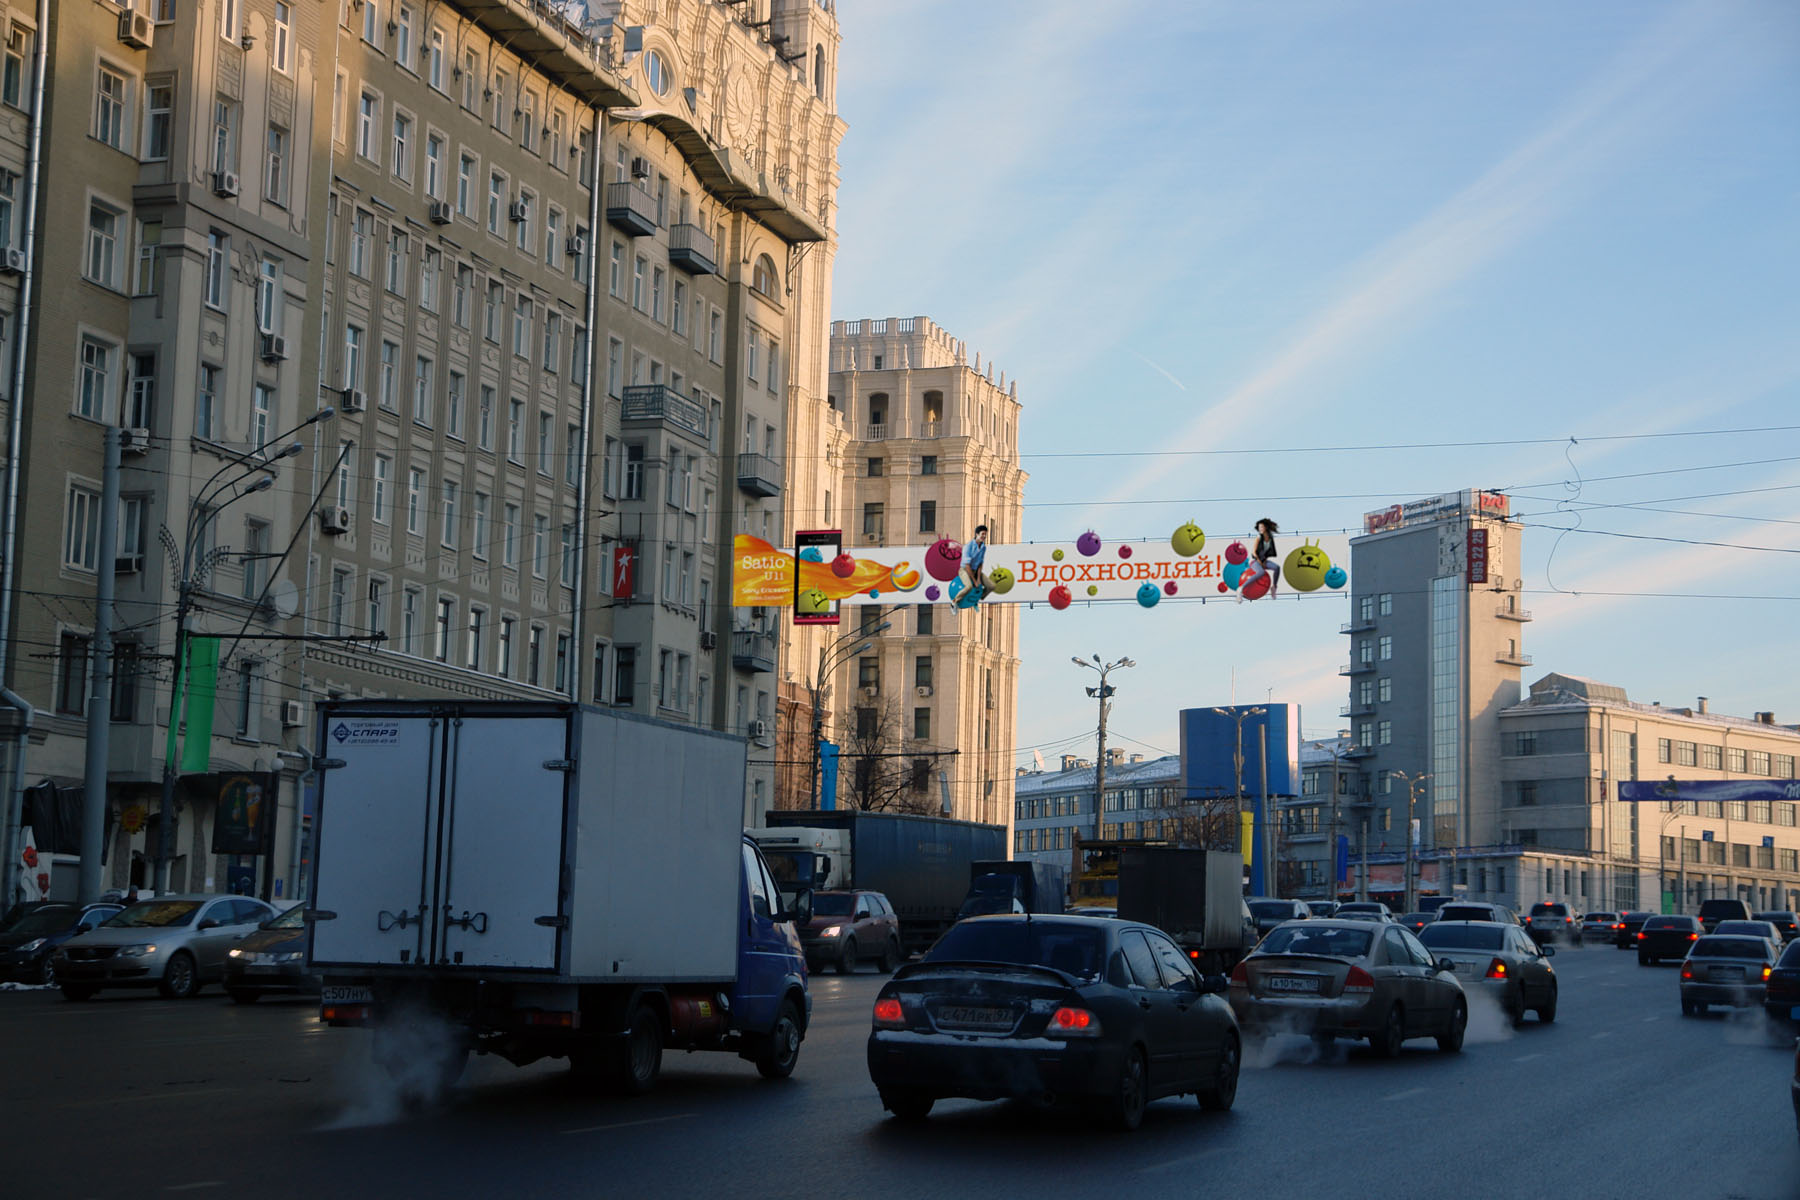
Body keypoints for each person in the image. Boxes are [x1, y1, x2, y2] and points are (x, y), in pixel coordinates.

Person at [1239, 518, 1280, 601]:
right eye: (1259, 527)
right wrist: (1260, 562)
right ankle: (1241, 588)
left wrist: (1264, 561)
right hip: (1254, 561)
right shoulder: (1259, 537)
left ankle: (1274, 587)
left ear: (1266, 527)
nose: (1260, 529)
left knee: (1277, 568)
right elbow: (1254, 552)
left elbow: (1267, 552)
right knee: (1261, 572)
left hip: (1263, 560)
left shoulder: (1270, 538)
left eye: (1262, 527)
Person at [961, 524, 990, 600]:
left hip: (975, 570)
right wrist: (975, 581)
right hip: (965, 570)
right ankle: (954, 601)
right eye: (982, 534)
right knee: (969, 587)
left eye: (985, 534)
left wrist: (979, 578)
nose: (984, 536)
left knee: (991, 586)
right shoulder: (968, 546)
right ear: (977, 534)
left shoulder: (983, 547)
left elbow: (980, 563)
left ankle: (977, 598)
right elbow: (967, 566)